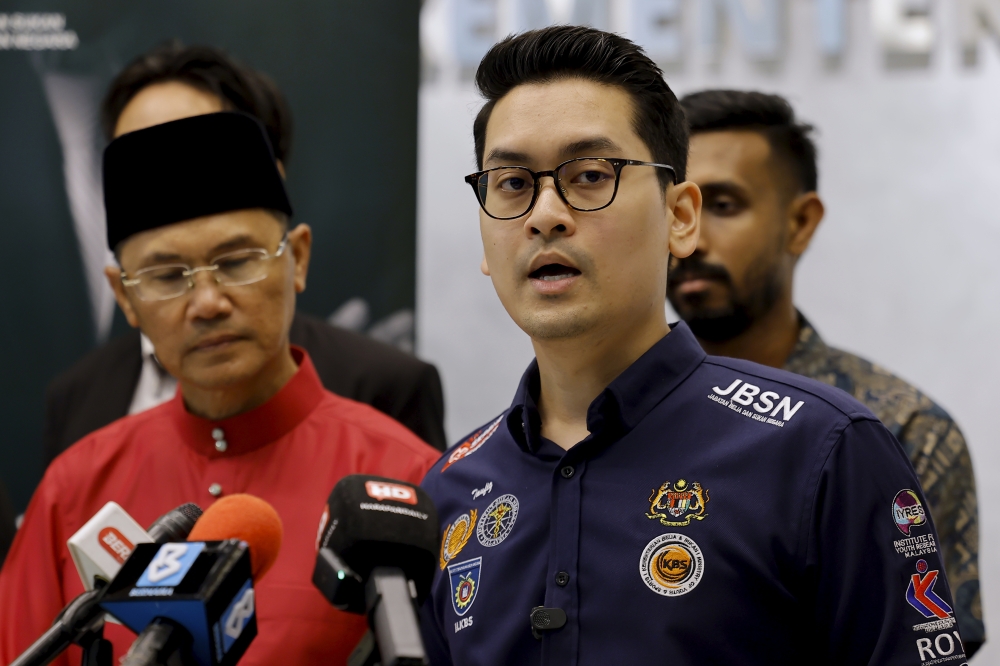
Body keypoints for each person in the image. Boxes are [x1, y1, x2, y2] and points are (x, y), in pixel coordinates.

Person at [419, 26, 965, 665]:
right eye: (511, 184)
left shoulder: (819, 449)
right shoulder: (453, 486)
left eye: (590, 175)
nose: (545, 214)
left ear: (680, 218)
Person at [0, 112, 440, 665]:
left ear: (298, 258)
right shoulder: (75, 490)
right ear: (124, 297)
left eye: (236, 263)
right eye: (165, 277)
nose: (207, 303)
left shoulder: (405, 482)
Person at [669, 89, 983, 655]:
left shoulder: (900, 431)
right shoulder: (606, 418)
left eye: (722, 205)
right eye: (675, 210)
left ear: (800, 222)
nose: (691, 240)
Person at [43, 43, 447, 459]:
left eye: (200, 150)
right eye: (139, 163)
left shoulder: (377, 388)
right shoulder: (77, 400)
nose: (168, 180)